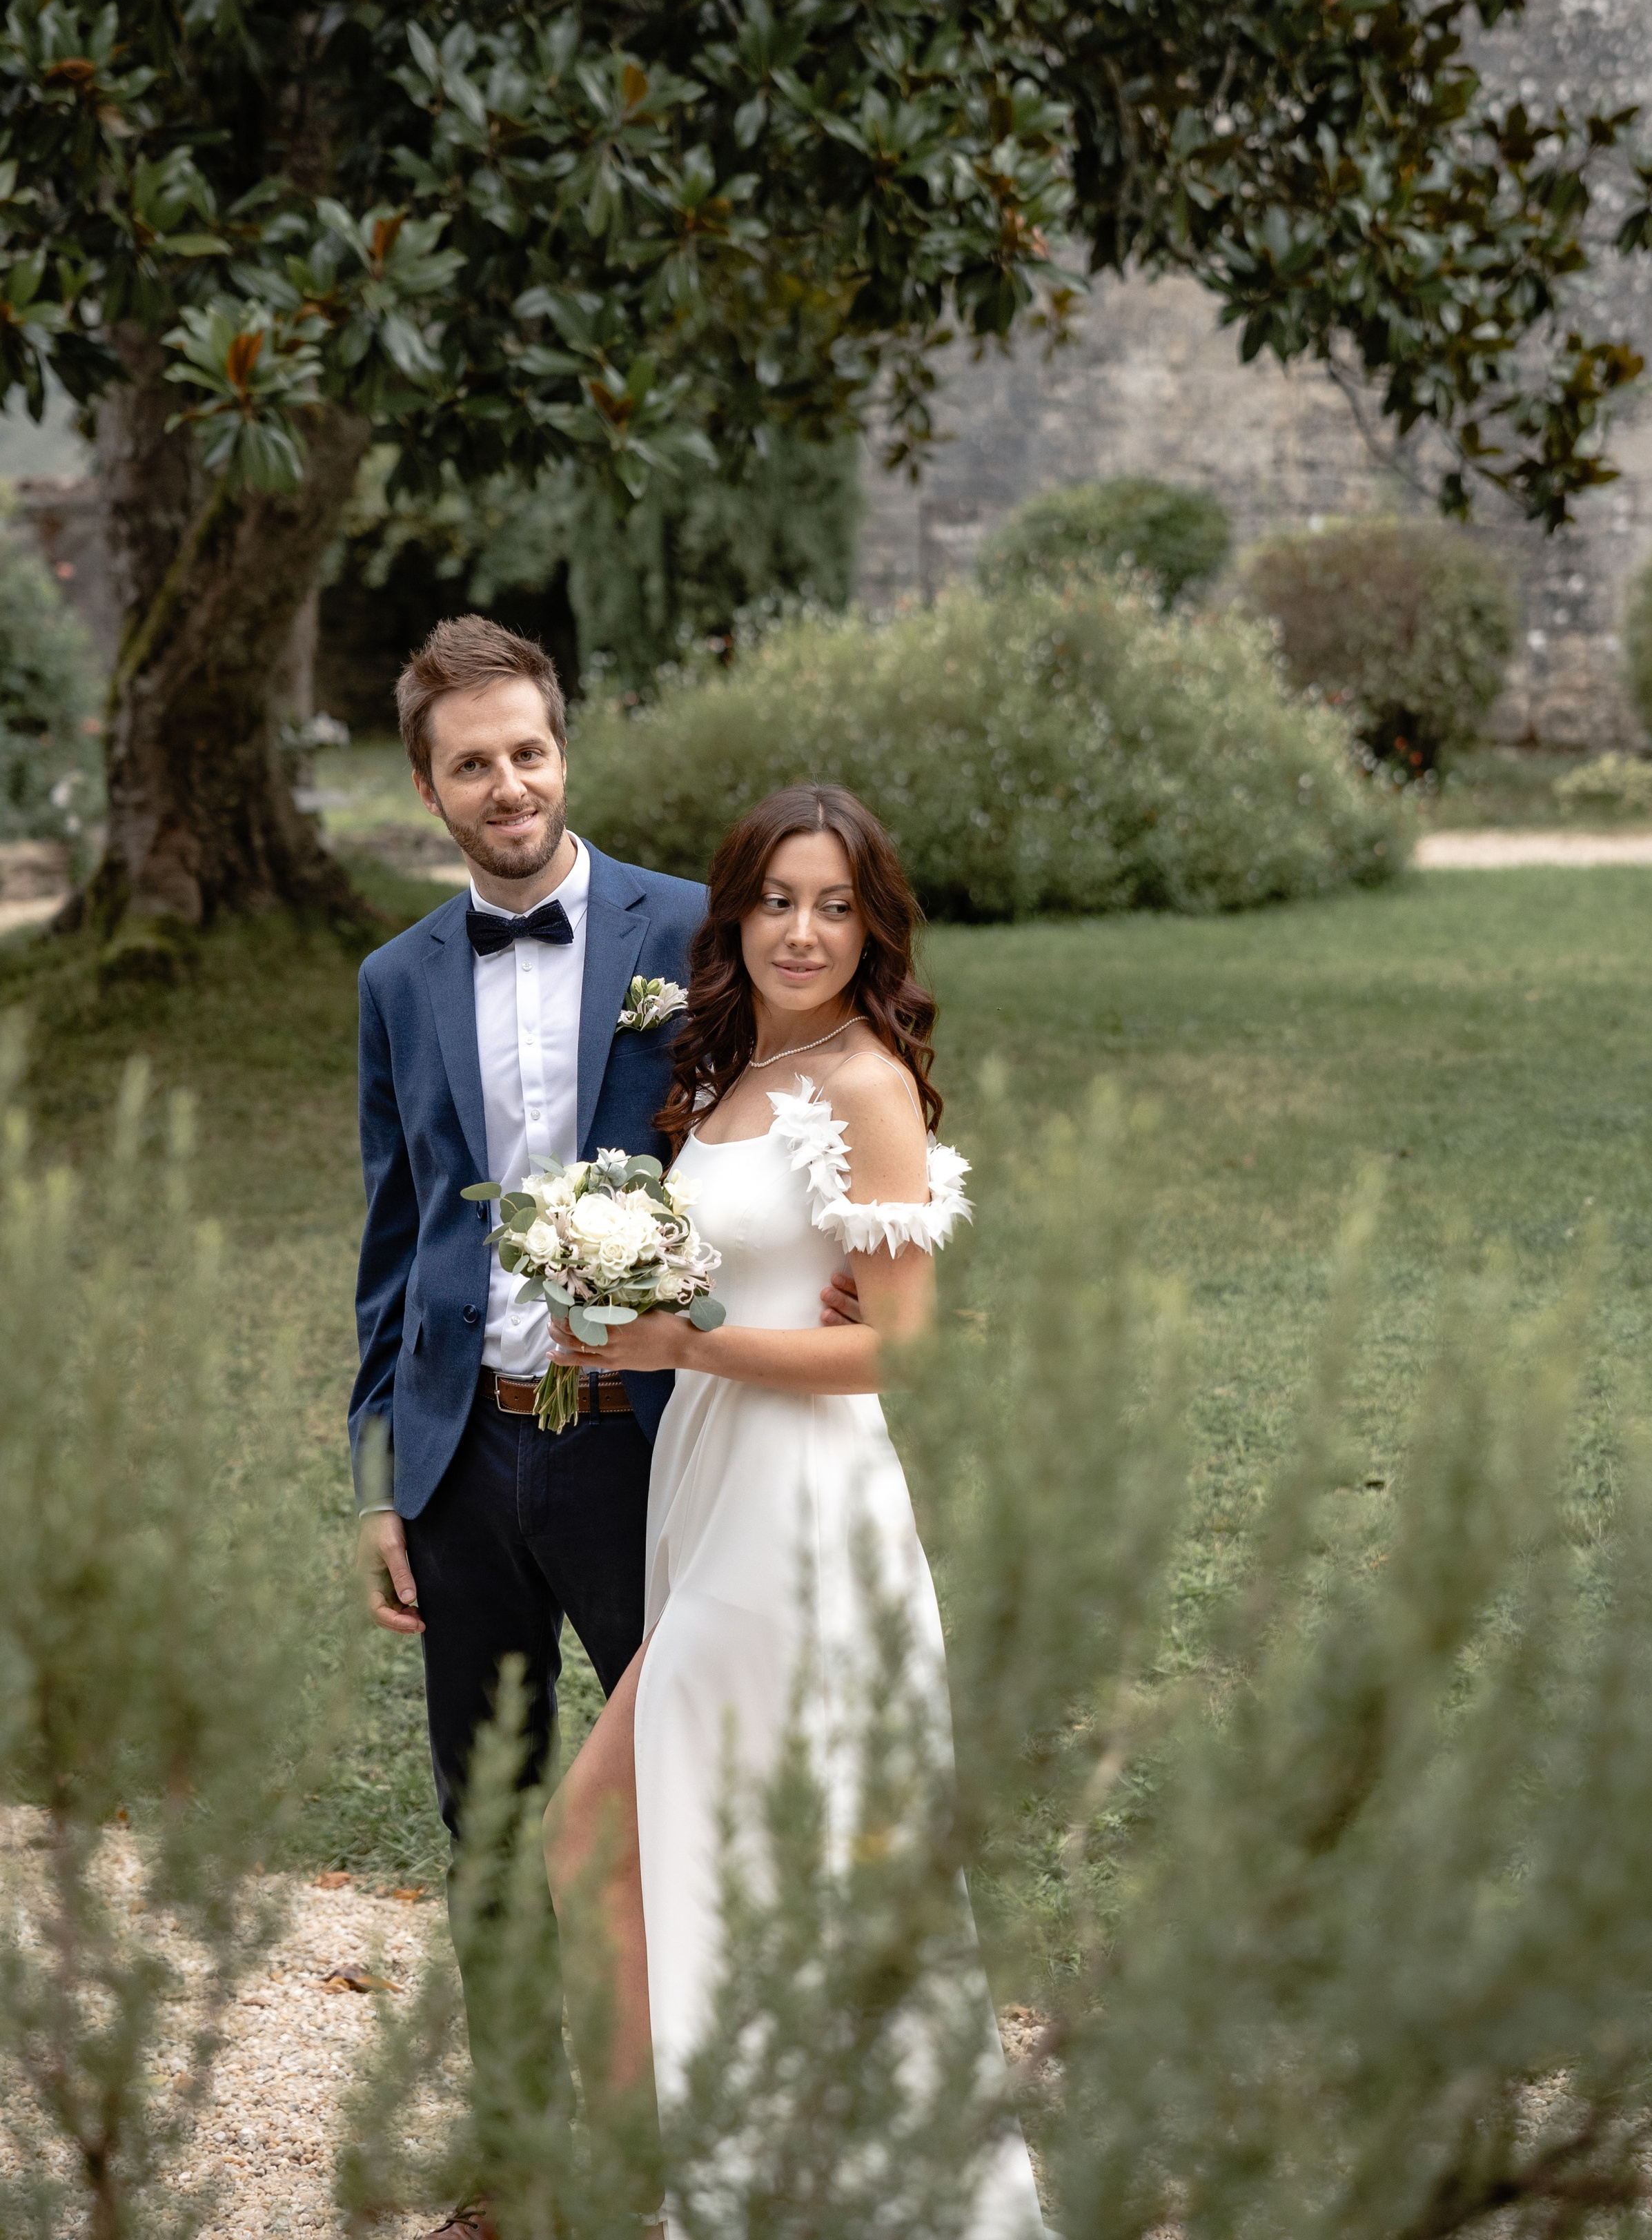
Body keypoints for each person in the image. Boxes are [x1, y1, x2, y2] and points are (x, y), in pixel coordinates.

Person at [348, 620, 863, 2240]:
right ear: (428, 787)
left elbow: (824, 1081)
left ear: (561, 750)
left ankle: (700, 2148)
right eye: (472, 763)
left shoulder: (692, 929)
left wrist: (848, 1255)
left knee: (679, 1811)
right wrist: (380, 1474)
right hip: (459, 1461)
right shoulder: (395, 982)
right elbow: (389, 1237)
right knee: (488, 1829)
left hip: (650, 1451)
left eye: (529, 751)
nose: (509, 784)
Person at [538, 783, 1045, 2240]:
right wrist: (614, 1302)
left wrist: (684, 1343)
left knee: (606, 1838)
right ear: (735, 913)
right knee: (672, 1849)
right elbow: (726, 1273)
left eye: (834, 905)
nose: (803, 931)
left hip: (799, 1518)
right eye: (776, 900)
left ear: (870, 923)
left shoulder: (864, 1084)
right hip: (711, 1488)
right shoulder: (728, 1069)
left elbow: (896, 1344)